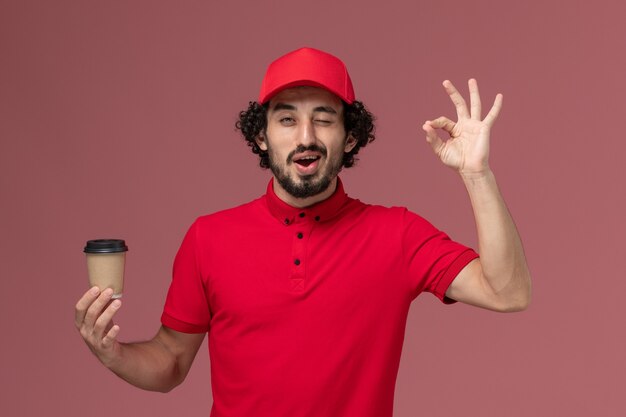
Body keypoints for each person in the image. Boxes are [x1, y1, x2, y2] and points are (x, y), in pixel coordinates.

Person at [75, 47, 531, 417]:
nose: (305, 136)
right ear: (262, 136)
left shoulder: (399, 234)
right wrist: (112, 353)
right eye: (287, 119)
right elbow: (171, 361)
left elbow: (507, 292)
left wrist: (477, 175)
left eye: (325, 119)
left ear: (349, 138)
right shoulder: (208, 238)